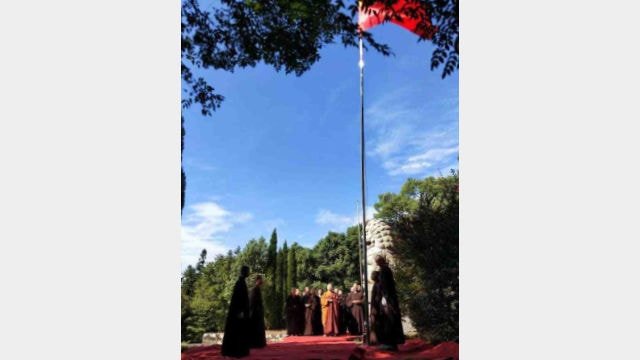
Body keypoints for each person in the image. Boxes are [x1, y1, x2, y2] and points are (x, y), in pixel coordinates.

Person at [374, 255, 405, 351]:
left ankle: (390, 343)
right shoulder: (385, 269)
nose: (376, 263)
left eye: (377, 261)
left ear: (380, 261)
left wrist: (384, 297)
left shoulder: (384, 270)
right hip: (389, 298)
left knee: (388, 320)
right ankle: (390, 343)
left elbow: (385, 286)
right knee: (388, 320)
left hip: (388, 299)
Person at [221, 265, 251, 358]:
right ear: (244, 272)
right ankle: (235, 351)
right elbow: (238, 299)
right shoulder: (240, 283)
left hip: (239, 313)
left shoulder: (241, 282)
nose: (249, 273)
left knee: (239, 332)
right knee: (236, 333)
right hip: (238, 313)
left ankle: (238, 351)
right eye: (248, 271)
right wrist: (240, 311)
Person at [248, 275, 266, 348]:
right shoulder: (254, 289)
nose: (261, 281)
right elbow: (251, 302)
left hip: (258, 312)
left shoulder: (257, 289)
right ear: (257, 281)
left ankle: (259, 343)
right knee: (255, 328)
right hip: (255, 313)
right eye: (260, 280)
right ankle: (255, 344)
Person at [369, 271, 381, 345]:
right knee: (374, 322)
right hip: (374, 306)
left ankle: (377, 339)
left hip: (377, 306)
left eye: (373, 275)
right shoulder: (376, 284)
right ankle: (374, 340)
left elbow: (378, 296)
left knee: (376, 322)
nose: (372, 277)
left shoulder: (378, 285)